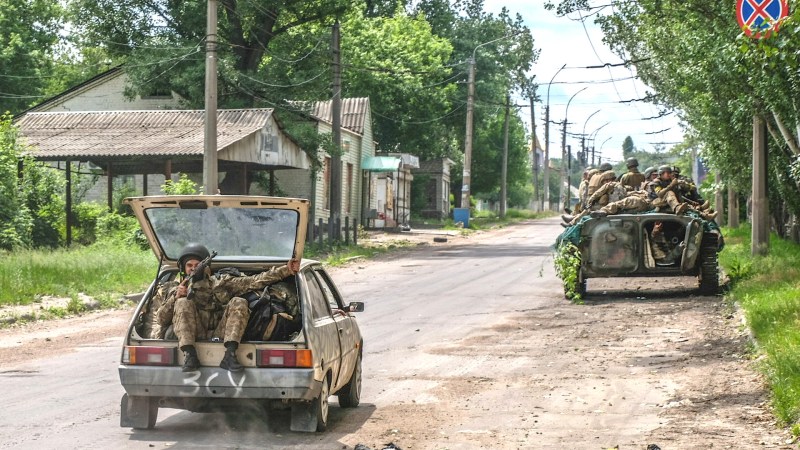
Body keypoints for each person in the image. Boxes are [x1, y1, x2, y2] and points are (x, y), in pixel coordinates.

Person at [155, 243, 300, 373]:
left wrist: (286, 270)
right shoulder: (175, 289)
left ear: (206, 266)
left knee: (239, 301)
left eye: (197, 265)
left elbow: (254, 281)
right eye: (189, 265)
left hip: (221, 332)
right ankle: (190, 355)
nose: (193, 269)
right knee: (182, 303)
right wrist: (175, 297)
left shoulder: (221, 283)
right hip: (193, 333)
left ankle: (230, 355)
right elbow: (161, 319)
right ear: (183, 268)